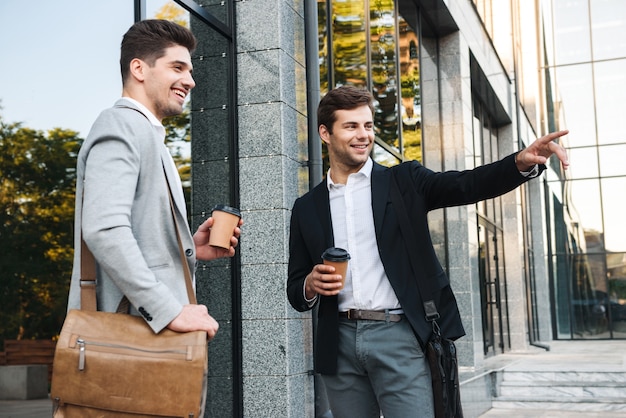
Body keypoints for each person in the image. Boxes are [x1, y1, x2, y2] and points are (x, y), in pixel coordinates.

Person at [286, 85, 569, 417]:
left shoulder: (404, 181)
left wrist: (519, 163)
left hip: (399, 336)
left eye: (368, 125)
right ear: (325, 133)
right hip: (339, 345)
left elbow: (466, 184)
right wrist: (310, 285)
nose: (363, 135)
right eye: (351, 126)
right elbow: (295, 289)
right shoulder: (307, 207)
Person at [67, 19, 242, 340]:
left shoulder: (146, 134)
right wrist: (169, 310)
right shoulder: (119, 126)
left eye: (189, 71)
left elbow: (133, 232)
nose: (189, 81)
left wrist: (187, 248)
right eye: (177, 68)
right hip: (128, 343)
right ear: (139, 69)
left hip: (144, 342)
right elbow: (104, 229)